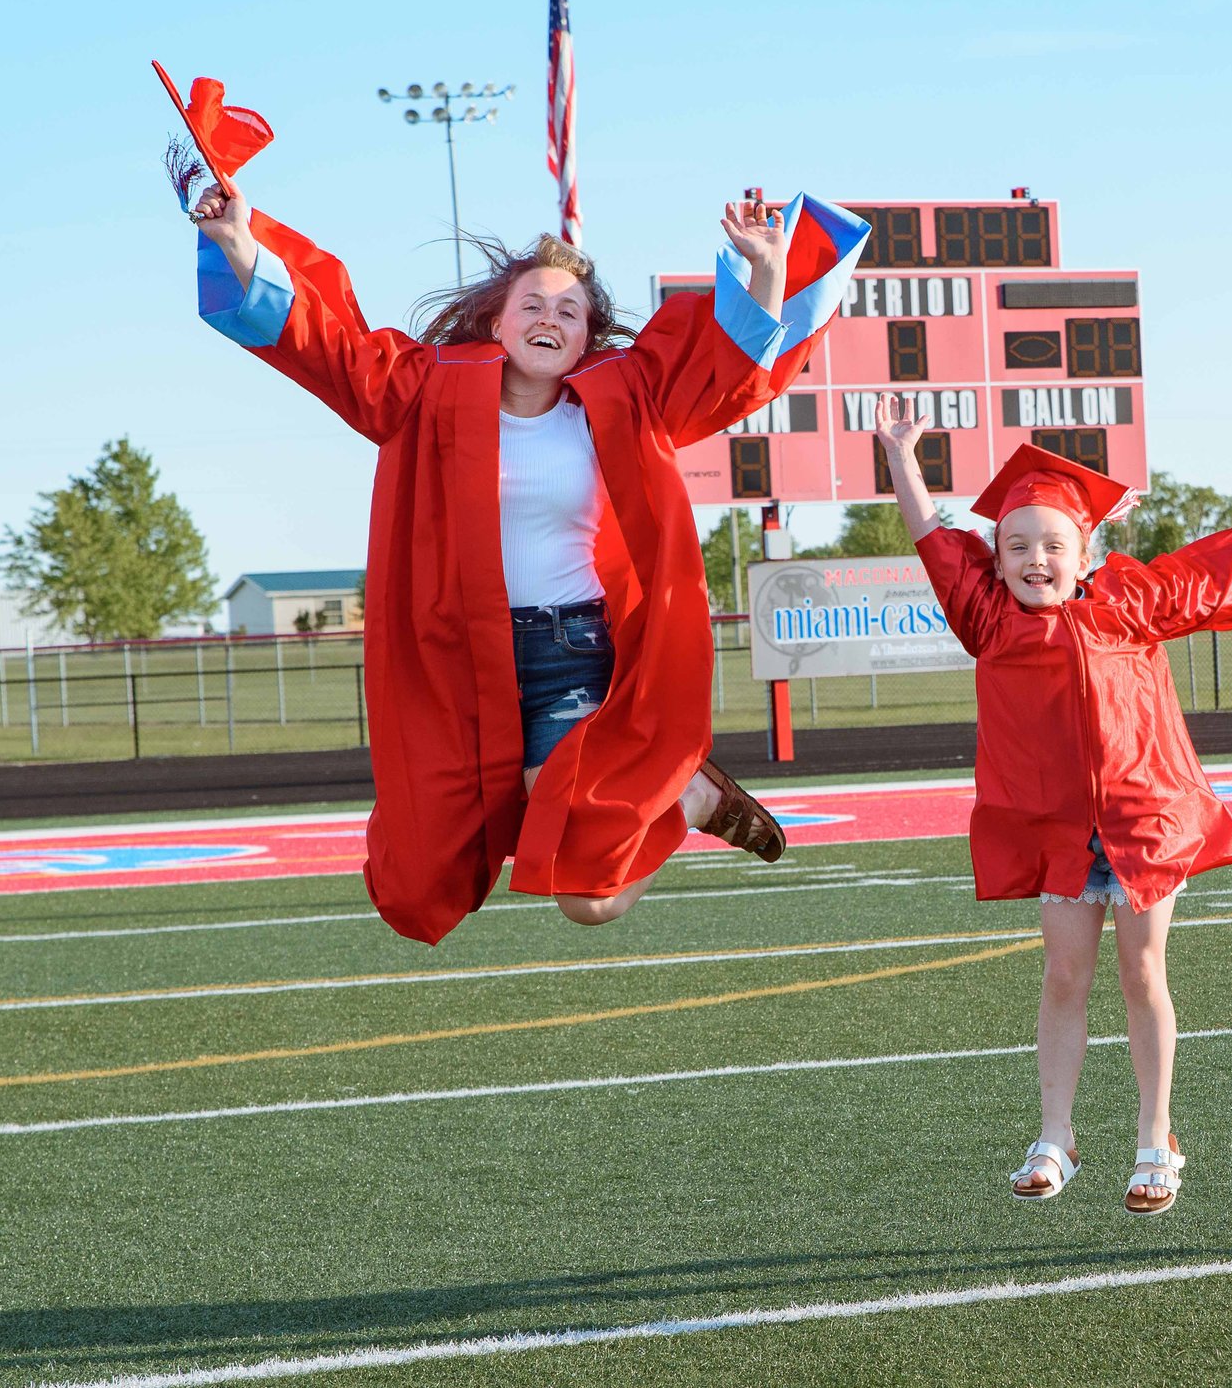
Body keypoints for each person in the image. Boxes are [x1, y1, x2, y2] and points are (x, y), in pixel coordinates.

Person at [187, 175, 867, 943]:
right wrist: (238, 241)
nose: (551, 318)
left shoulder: (625, 396)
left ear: (587, 337)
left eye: (569, 311)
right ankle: (686, 799)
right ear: (497, 322)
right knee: (422, 873)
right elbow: (328, 344)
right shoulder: (421, 392)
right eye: (533, 306)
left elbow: (729, 371)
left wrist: (766, 270)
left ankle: (690, 801)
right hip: (456, 663)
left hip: (572, 654)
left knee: (591, 899)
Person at [874, 395, 1232, 1213]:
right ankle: (1056, 1134)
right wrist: (901, 459)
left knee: (1142, 972)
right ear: (996, 557)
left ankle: (1157, 1138)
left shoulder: (1127, 603)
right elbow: (928, 540)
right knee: (1063, 977)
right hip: (1057, 833)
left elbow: (1206, 594)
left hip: (1141, 822)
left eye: (1053, 543)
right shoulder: (985, 618)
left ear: (1085, 548)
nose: (1034, 558)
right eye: (1016, 545)